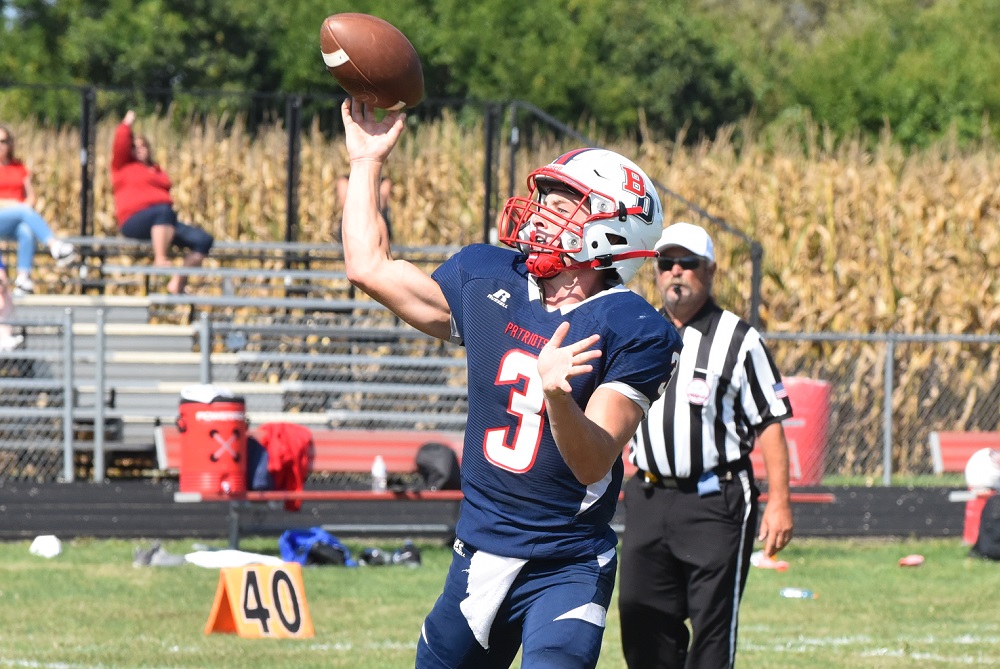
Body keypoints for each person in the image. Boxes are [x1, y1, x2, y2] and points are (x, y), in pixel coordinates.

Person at [339, 98, 682, 668]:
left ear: (614, 229)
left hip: (565, 564)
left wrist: (558, 398)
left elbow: (593, 461)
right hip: (477, 551)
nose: (541, 214)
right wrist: (366, 162)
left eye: (563, 205)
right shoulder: (489, 276)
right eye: (543, 200)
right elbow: (367, 267)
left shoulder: (633, 326)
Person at [617, 222, 795, 669]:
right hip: (649, 495)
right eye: (666, 263)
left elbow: (770, 422)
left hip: (716, 500)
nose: (675, 272)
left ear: (710, 271)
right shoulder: (639, 329)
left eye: (688, 263)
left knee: (712, 629)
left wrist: (780, 502)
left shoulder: (739, 339)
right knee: (640, 617)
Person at [110, 110, 214, 295]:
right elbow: (120, 145)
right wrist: (126, 124)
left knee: (203, 240)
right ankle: (160, 258)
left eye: (143, 146)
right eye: (135, 147)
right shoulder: (123, 166)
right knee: (163, 211)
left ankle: (177, 282)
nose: (140, 149)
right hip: (134, 221)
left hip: (164, 222)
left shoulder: (156, 170)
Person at [0, 123, 78, 295]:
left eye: (4, 141)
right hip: (7, 213)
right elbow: (21, 206)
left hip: (15, 218)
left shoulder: (19, 167)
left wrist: (21, 207)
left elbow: (32, 197)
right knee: (24, 212)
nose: (1, 145)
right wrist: (16, 205)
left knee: (26, 231)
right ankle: (55, 245)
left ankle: (23, 278)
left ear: (10, 143)